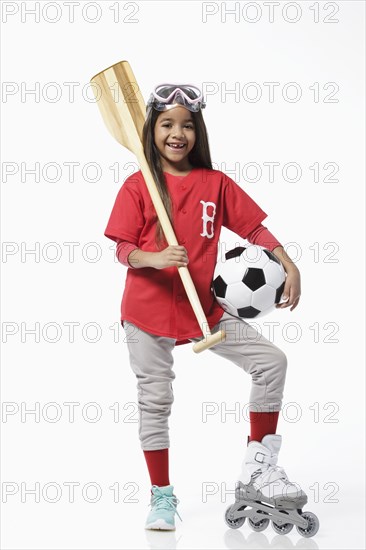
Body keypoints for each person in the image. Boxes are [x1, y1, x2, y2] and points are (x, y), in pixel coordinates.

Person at [104, 83, 302, 531]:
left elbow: (253, 228)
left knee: (271, 362)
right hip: (146, 312)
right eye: (168, 124)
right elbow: (122, 247)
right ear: (151, 129)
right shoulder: (139, 185)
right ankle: (161, 496)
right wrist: (151, 257)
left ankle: (258, 466)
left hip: (203, 311)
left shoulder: (215, 183)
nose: (178, 133)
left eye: (188, 125)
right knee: (155, 401)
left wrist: (287, 262)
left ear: (199, 132)